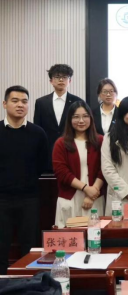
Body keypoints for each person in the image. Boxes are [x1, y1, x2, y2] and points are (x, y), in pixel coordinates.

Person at [0, 86, 49, 275]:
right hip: (1, 199)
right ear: (5, 104)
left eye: (24, 101)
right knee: (1, 246)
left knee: (29, 247)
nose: (20, 105)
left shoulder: (38, 133)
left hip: (29, 198)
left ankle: (29, 284)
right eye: (15, 101)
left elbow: (43, 165)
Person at [53, 101, 104, 227]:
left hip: (95, 197)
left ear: (91, 118)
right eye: (76, 117)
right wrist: (86, 189)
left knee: (94, 234)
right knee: (70, 236)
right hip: (70, 197)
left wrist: (91, 195)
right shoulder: (61, 143)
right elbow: (62, 172)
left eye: (85, 116)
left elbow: (104, 169)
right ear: (69, 119)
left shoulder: (100, 141)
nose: (81, 121)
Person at [34, 64, 83, 172]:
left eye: (65, 77)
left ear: (70, 81)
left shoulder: (78, 102)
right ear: (51, 81)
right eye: (57, 77)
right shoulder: (41, 102)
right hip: (47, 151)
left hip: (71, 148)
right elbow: (38, 128)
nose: (61, 80)